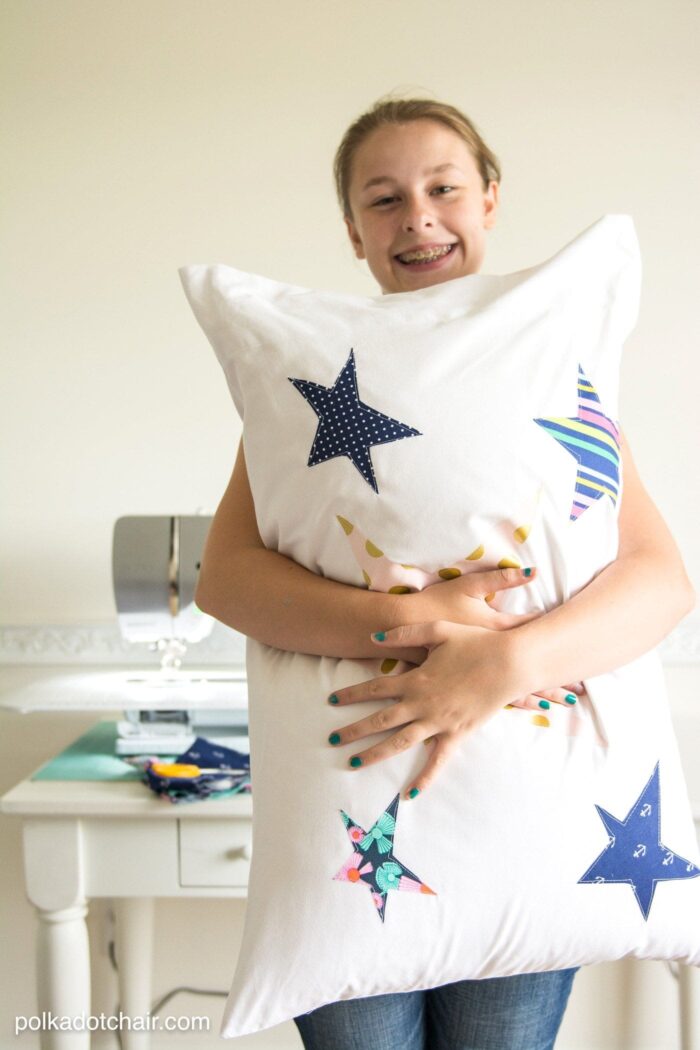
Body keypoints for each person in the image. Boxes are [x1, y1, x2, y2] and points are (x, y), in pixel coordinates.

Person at [195, 96, 695, 1050]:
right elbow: (227, 579)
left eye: (442, 188)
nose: (416, 215)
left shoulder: (553, 366)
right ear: (352, 231)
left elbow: (660, 581)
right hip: (356, 801)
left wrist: (500, 668)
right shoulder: (306, 393)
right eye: (383, 199)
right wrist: (408, 618)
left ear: (490, 201)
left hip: (529, 814)